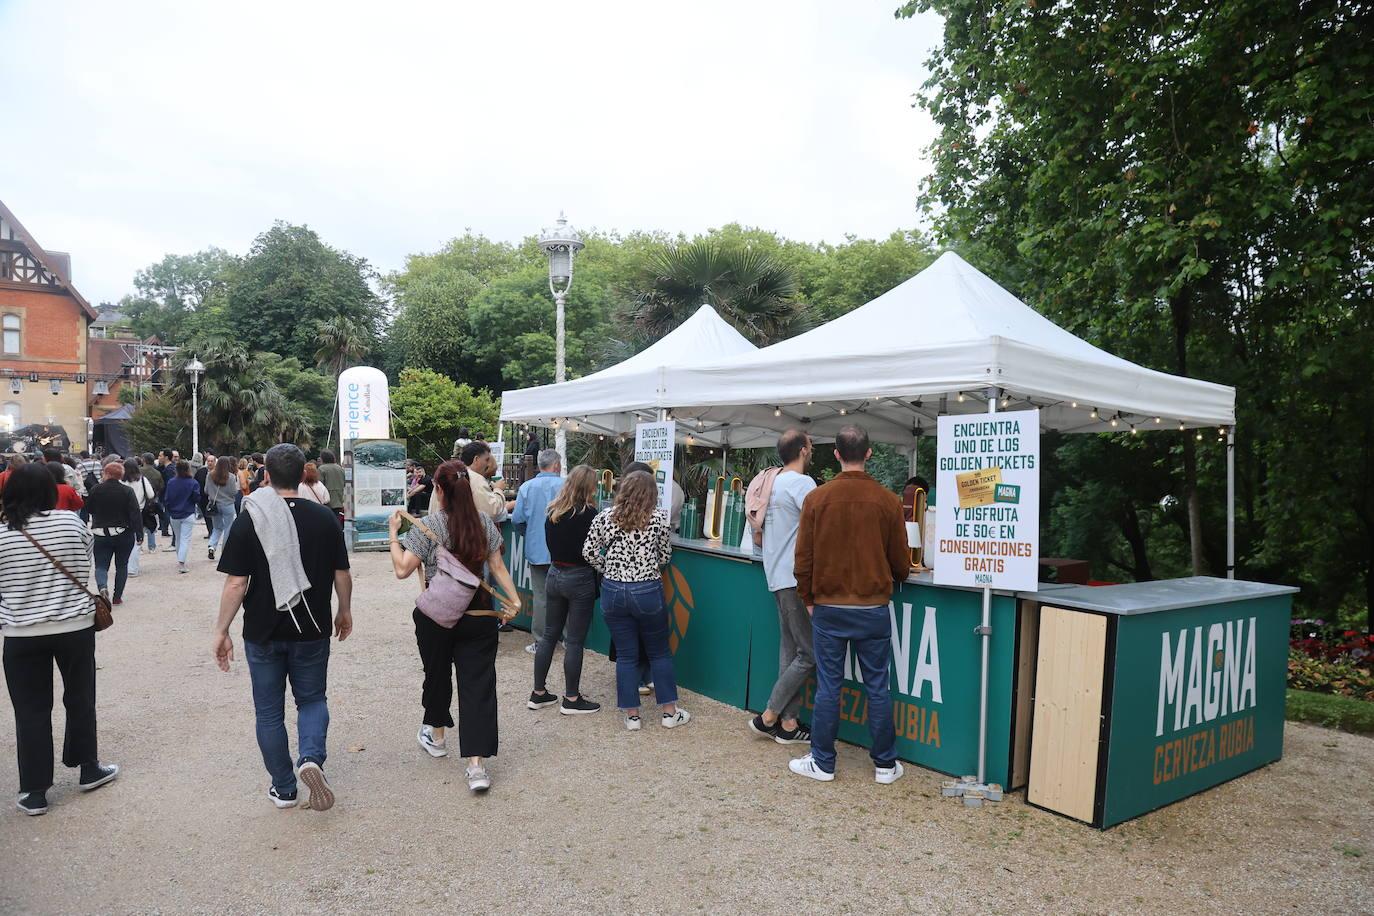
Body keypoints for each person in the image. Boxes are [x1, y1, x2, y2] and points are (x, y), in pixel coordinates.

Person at [212, 443, 353, 811]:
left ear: (267, 475)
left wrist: (221, 630)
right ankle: (310, 757)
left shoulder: (251, 519)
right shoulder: (324, 518)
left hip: (262, 630)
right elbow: (342, 573)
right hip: (312, 627)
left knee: (269, 711)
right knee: (312, 699)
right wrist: (344, 610)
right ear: (303, 473)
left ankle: (284, 788)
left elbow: (236, 583)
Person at [388, 460, 521, 793]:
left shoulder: (428, 524)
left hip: (437, 616)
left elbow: (403, 569)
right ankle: (476, 767)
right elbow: (498, 566)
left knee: (436, 673)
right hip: (478, 615)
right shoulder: (484, 524)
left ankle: (437, 734)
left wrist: (393, 536)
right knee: (478, 685)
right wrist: (515, 601)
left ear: (440, 489)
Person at [789, 425, 909, 785]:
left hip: (829, 607)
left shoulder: (817, 499)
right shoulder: (889, 501)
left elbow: (803, 560)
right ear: (868, 454)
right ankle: (885, 765)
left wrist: (808, 599)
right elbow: (901, 563)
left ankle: (823, 762)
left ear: (837, 455)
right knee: (877, 686)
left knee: (829, 686)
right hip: (873, 608)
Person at [0, 463, 119, 816]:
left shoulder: (3, 534)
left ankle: (34, 790)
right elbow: (85, 565)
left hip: (21, 632)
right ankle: (87, 767)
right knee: (80, 698)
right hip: (74, 627)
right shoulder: (70, 523)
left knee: (31, 710)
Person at [584, 470, 689, 731]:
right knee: (659, 653)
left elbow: (588, 551)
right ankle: (669, 713)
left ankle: (632, 717)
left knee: (626, 656)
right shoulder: (658, 518)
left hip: (613, 590)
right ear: (652, 494)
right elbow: (665, 556)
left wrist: (607, 566)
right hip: (647, 589)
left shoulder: (604, 517)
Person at [746, 429, 817, 746]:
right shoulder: (803, 484)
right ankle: (770, 716)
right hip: (795, 576)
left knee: (790, 651)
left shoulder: (771, 482)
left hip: (775, 574)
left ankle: (788, 725)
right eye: (811, 446)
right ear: (803, 450)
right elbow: (819, 526)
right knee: (810, 653)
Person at [528, 464, 600, 716]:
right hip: (579, 576)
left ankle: (538, 692)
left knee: (549, 635)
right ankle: (571, 698)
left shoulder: (553, 511)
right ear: (588, 487)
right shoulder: (591, 514)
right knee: (574, 641)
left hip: (554, 573)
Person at [511, 448, 563, 655]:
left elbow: (517, 520)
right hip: (563, 552)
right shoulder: (567, 485)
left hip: (537, 551)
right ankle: (567, 638)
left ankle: (541, 641)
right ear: (557, 465)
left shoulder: (526, 487)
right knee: (565, 596)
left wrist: (530, 535)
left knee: (541, 597)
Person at [85, 461, 140, 606]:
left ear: (107, 474)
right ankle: (117, 597)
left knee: (101, 565)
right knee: (122, 565)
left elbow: (89, 508)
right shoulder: (127, 491)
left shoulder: (96, 489)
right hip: (123, 532)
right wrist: (139, 533)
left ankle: (102, 586)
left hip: (101, 532)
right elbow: (135, 513)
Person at [459, 440, 513, 521]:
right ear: (476, 459)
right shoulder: (476, 479)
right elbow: (492, 512)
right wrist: (498, 490)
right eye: (487, 460)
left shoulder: (456, 474)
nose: (488, 464)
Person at [164, 460, 202, 574]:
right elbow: (196, 498)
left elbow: (167, 498)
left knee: (178, 537)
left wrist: (170, 509)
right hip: (188, 512)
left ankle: (180, 560)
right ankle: (182, 562)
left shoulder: (171, 482)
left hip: (174, 514)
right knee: (185, 538)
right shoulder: (193, 483)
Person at [122, 458, 157, 566]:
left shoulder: (122, 481)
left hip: (124, 512)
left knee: (128, 538)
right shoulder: (142, 480)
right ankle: (135, 563)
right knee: (140, 535)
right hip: (140, 510)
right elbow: (151, 494)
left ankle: (128, 563)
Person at [204, 456, 239, 561]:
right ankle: (225, 551)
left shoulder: (210, 475)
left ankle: (212, 546)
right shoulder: (231, 477)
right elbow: (234, 492)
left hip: (214, 505)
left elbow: (206, 490)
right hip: (228, 504)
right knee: (228, 527)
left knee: (217, 527)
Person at [316, 450, 346, 527]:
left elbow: (319, 485)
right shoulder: (340, 468)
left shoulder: (322, 469)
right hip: (339, 498)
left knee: (327, 523)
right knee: (337, 521)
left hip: (327, 500)